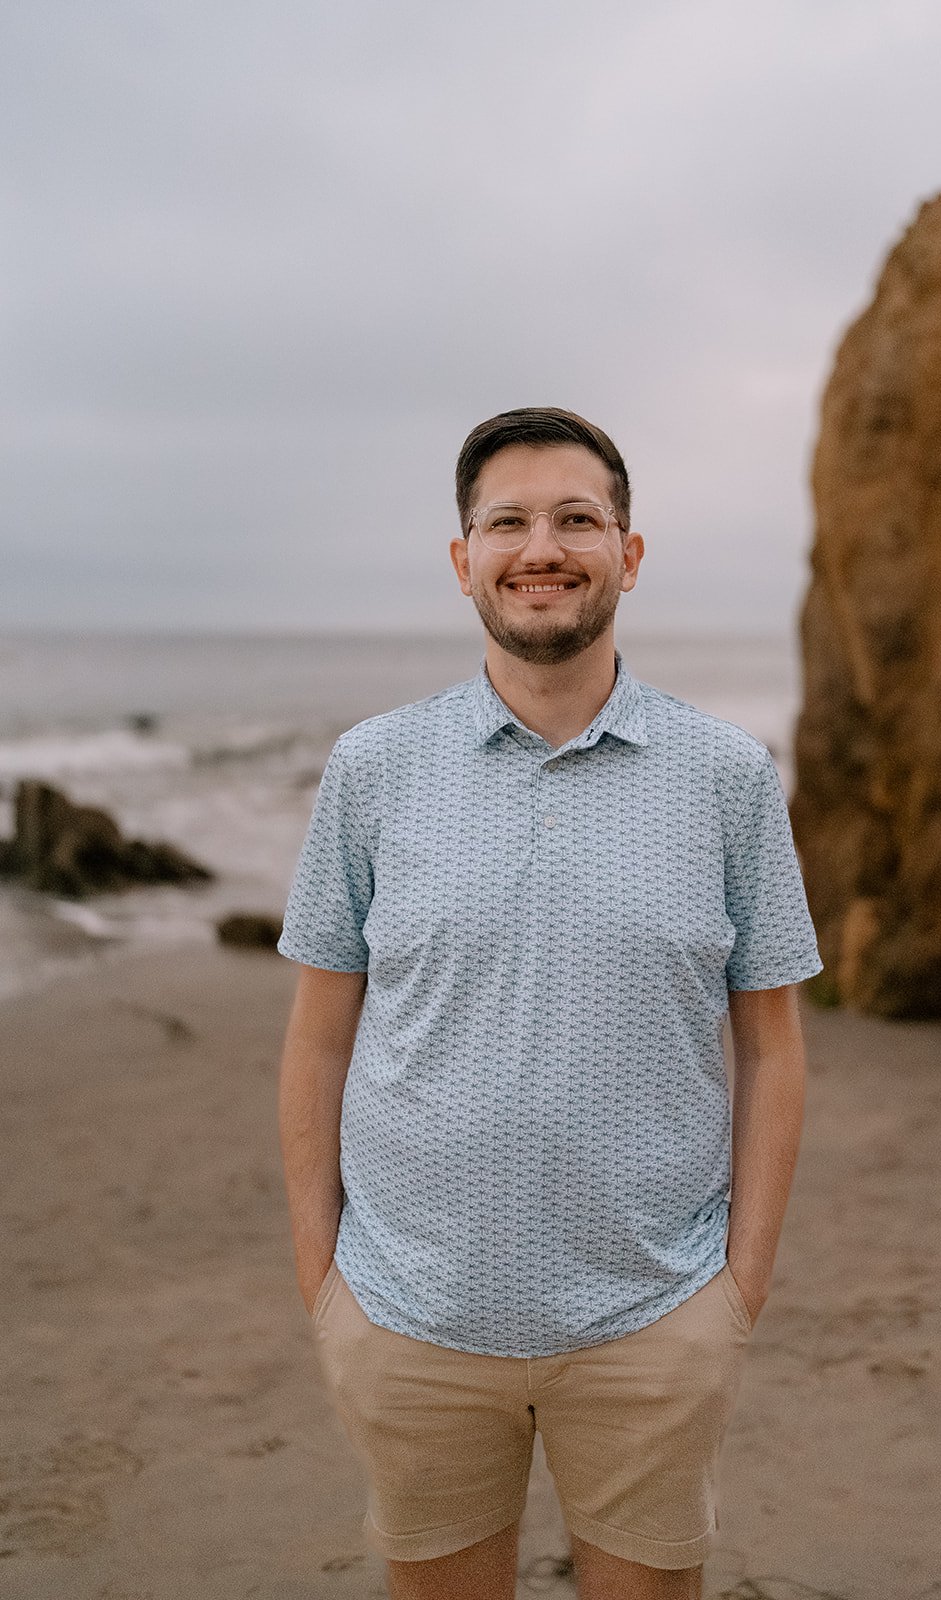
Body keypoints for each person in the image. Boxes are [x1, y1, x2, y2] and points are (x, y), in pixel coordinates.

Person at [276, 406, 822, 1600]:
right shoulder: (372, 770)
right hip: (406, 1316)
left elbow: (772, 1045)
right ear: (462, 556)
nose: (542, 546)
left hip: (654, 1317)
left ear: (627, 553)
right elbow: (319, 1036)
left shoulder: (725, 776)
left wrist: (738, 1290)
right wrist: (327, 1282)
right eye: (507, 520)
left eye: (577, 518)